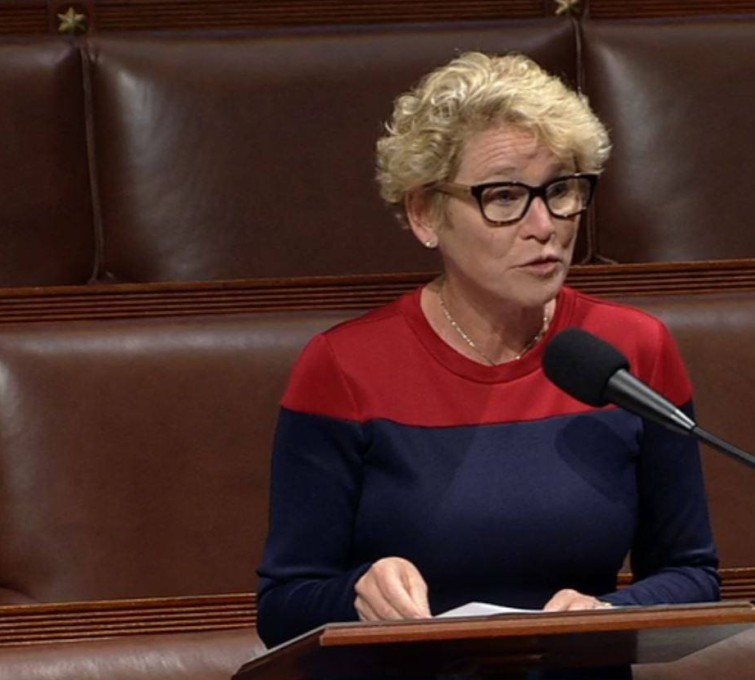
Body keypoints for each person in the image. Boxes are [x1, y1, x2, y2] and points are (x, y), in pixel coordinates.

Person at [255, 51, 720, 671]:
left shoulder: (631, 351)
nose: (543, 225)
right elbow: (282, 606)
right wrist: (358, 593)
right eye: (503, 196)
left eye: (561, 190)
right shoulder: (344, 367)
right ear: (426, 213)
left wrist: (614, 615)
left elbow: (692, 573)